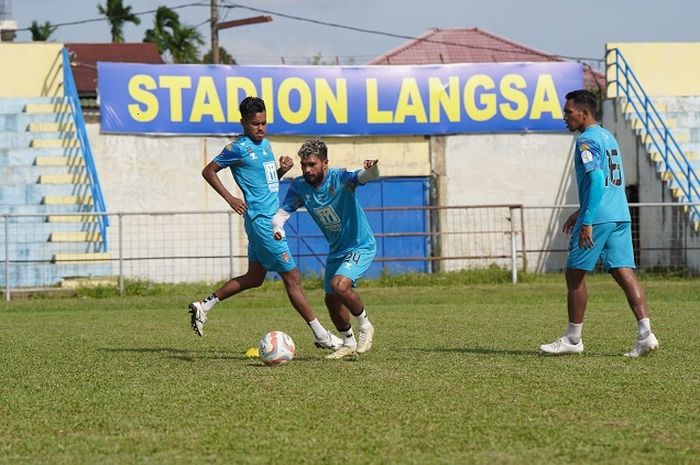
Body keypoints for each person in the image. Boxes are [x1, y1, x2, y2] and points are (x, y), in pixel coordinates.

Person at [188, 97, 342, 351]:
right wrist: (230, 198)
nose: (260, 128)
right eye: (254, 124)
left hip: (265, 219)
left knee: (255, 277)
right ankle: (321, 335)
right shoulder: (237, 148)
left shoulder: (266, 145)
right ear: (243, 123)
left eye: (263, 123)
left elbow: (265, 182)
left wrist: (280, 171)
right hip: (263, 222)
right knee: (292, 277)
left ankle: (204, 306)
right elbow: (208, 171)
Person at [540, 89, 659, 357]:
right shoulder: (607, 137)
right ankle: (646, 335)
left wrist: (587, 219)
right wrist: (581, 210)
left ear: (584, 113)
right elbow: (605, 180)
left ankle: (573, 339)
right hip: (619, 213)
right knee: (623, 272)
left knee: (574, 275)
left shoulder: (586, 141)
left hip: (600, 217)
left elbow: (595, 180)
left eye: (568, 112)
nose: (564, 117)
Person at [272, 138, 378, 360]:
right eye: (304, 165)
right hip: (336, 249)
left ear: (325, 163)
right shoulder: (300, 186)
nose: (307, 169)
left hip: (360, 245)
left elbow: (363, 177)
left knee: (339, 285)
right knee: (331, 299)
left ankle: (365, 326)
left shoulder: (339, 178)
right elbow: (282, 214)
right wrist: (278, 228)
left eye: (312, 164)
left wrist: (372, 169)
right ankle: (348, 342)